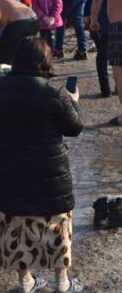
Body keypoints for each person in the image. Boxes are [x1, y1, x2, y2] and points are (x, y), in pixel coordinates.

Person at [0, 36, 83, 292]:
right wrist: (75, 101)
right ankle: (62, 282)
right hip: (50, 176)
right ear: (45, 61)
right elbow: (75, 128)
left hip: (10, 172)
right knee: (58, 226)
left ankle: (25, 282)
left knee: (15, 226)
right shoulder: (54, 93)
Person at [84, 0, 116, 97]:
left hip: (115, 20)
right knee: (103, 55)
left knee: (115, 56)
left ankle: (118, 86)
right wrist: (89, 17)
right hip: (102, 21)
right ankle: (105, 88)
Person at [0, 0, 38, 64]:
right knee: (26, 47)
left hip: (19, 22)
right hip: (34, 19)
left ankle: (7, 67)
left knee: (6, 52)